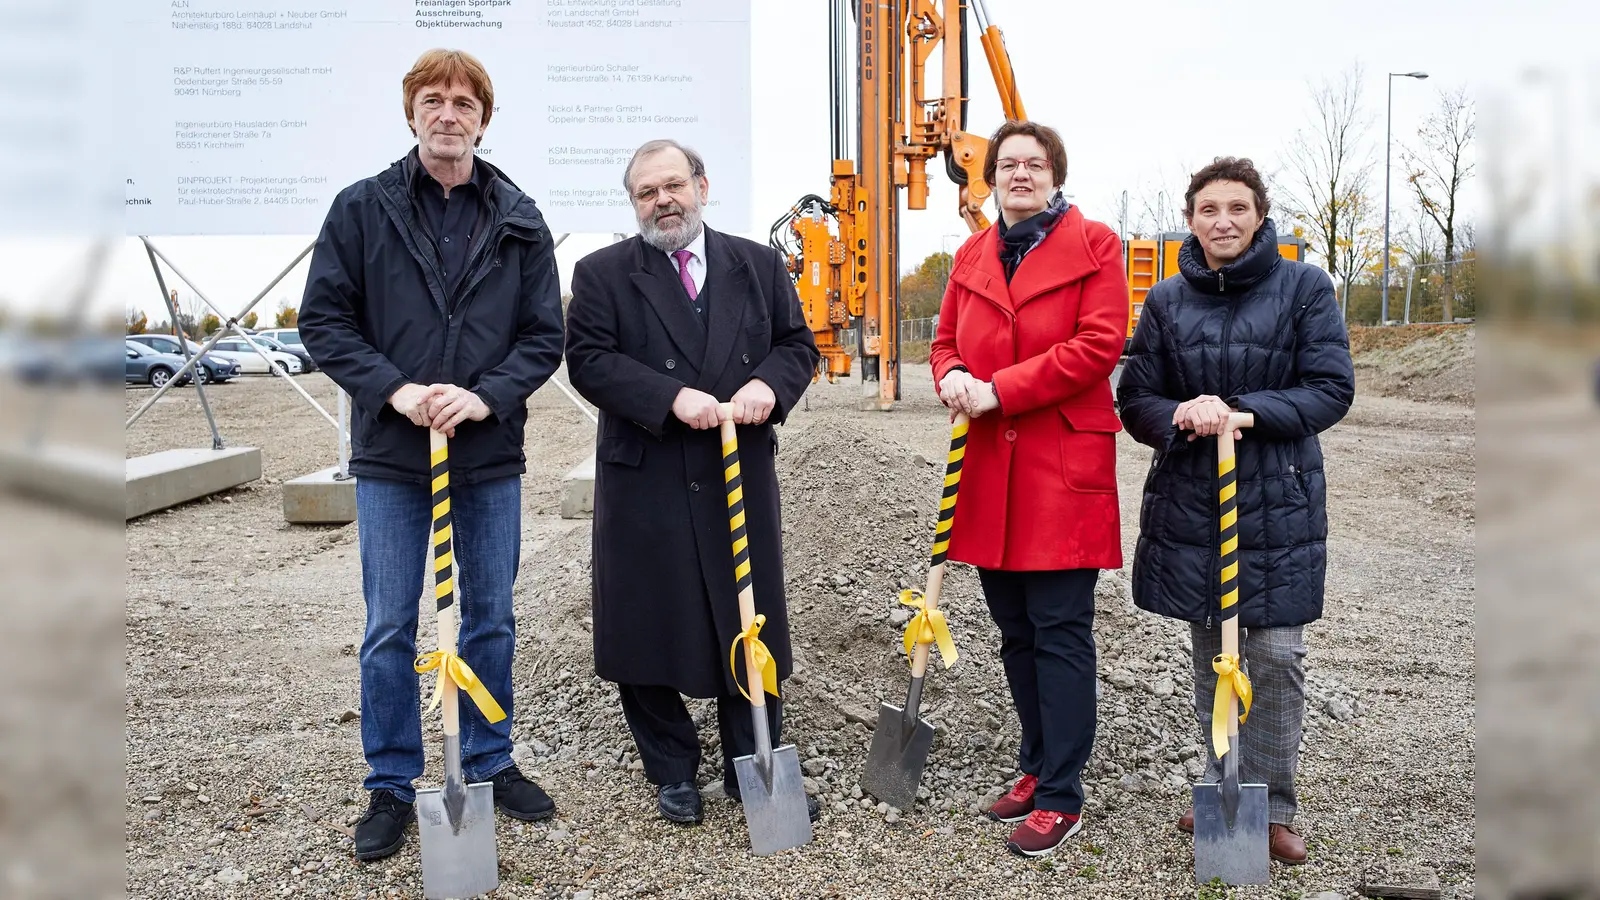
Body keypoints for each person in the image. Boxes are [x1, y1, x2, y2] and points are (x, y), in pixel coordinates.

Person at [298, 48, 566, 862]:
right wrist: (397, 390)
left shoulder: (519, 218)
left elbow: (542, 336)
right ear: (411, 112)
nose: (448, 113)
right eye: (432, 100)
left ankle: (488, 761)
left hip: (486, 456)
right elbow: (326, 323)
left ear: (484, 118)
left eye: (463, 102)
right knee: (389, 625)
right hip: (391, 455)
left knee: (490, 616)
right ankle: (389, 782)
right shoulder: (361, 210)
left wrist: (484, 395)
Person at [564, 139, 822, 826]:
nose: (663, 201)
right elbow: (587, 361)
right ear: (634, 204)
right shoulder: (602, 274)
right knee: (647, 623)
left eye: (674, 185)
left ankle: (753, 764)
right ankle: (672, 769)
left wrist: (769, 382)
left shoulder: (759, 265)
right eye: (647, 193)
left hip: (736, 467)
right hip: (647, 471)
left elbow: (798, 345)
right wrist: (669, 398)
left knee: (749, 617)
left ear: (703, 187)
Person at [1115, 156, 1355, 867]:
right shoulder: (1165, 301)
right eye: (1209, 209)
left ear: (1260, 216)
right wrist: (1181, 413)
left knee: (1276, 657)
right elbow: (1136, 399)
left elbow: (1329, 388)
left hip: (1277, 500)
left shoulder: (1305, 288)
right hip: (1196, 502)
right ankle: (1224, 788)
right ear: (1191, 219)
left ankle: (1276, 805)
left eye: (1237, 209)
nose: (1223, 221)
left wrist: (1243, 413)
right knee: (1211, 655)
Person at [929, 120, 1128, 857]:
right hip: (988, 467)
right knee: (1015, 631)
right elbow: (945, 339)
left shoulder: (1095, 244)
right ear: (989, 177)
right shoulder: (973, 253)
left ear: (1055, 174)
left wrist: (999, 391)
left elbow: (1098, 344)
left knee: (1060, 631)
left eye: (1033, 164)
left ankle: (1061, 795)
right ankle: (1035, 763)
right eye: (1007, 164)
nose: (1019, 174)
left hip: (1055, 468)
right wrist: (950, 374)